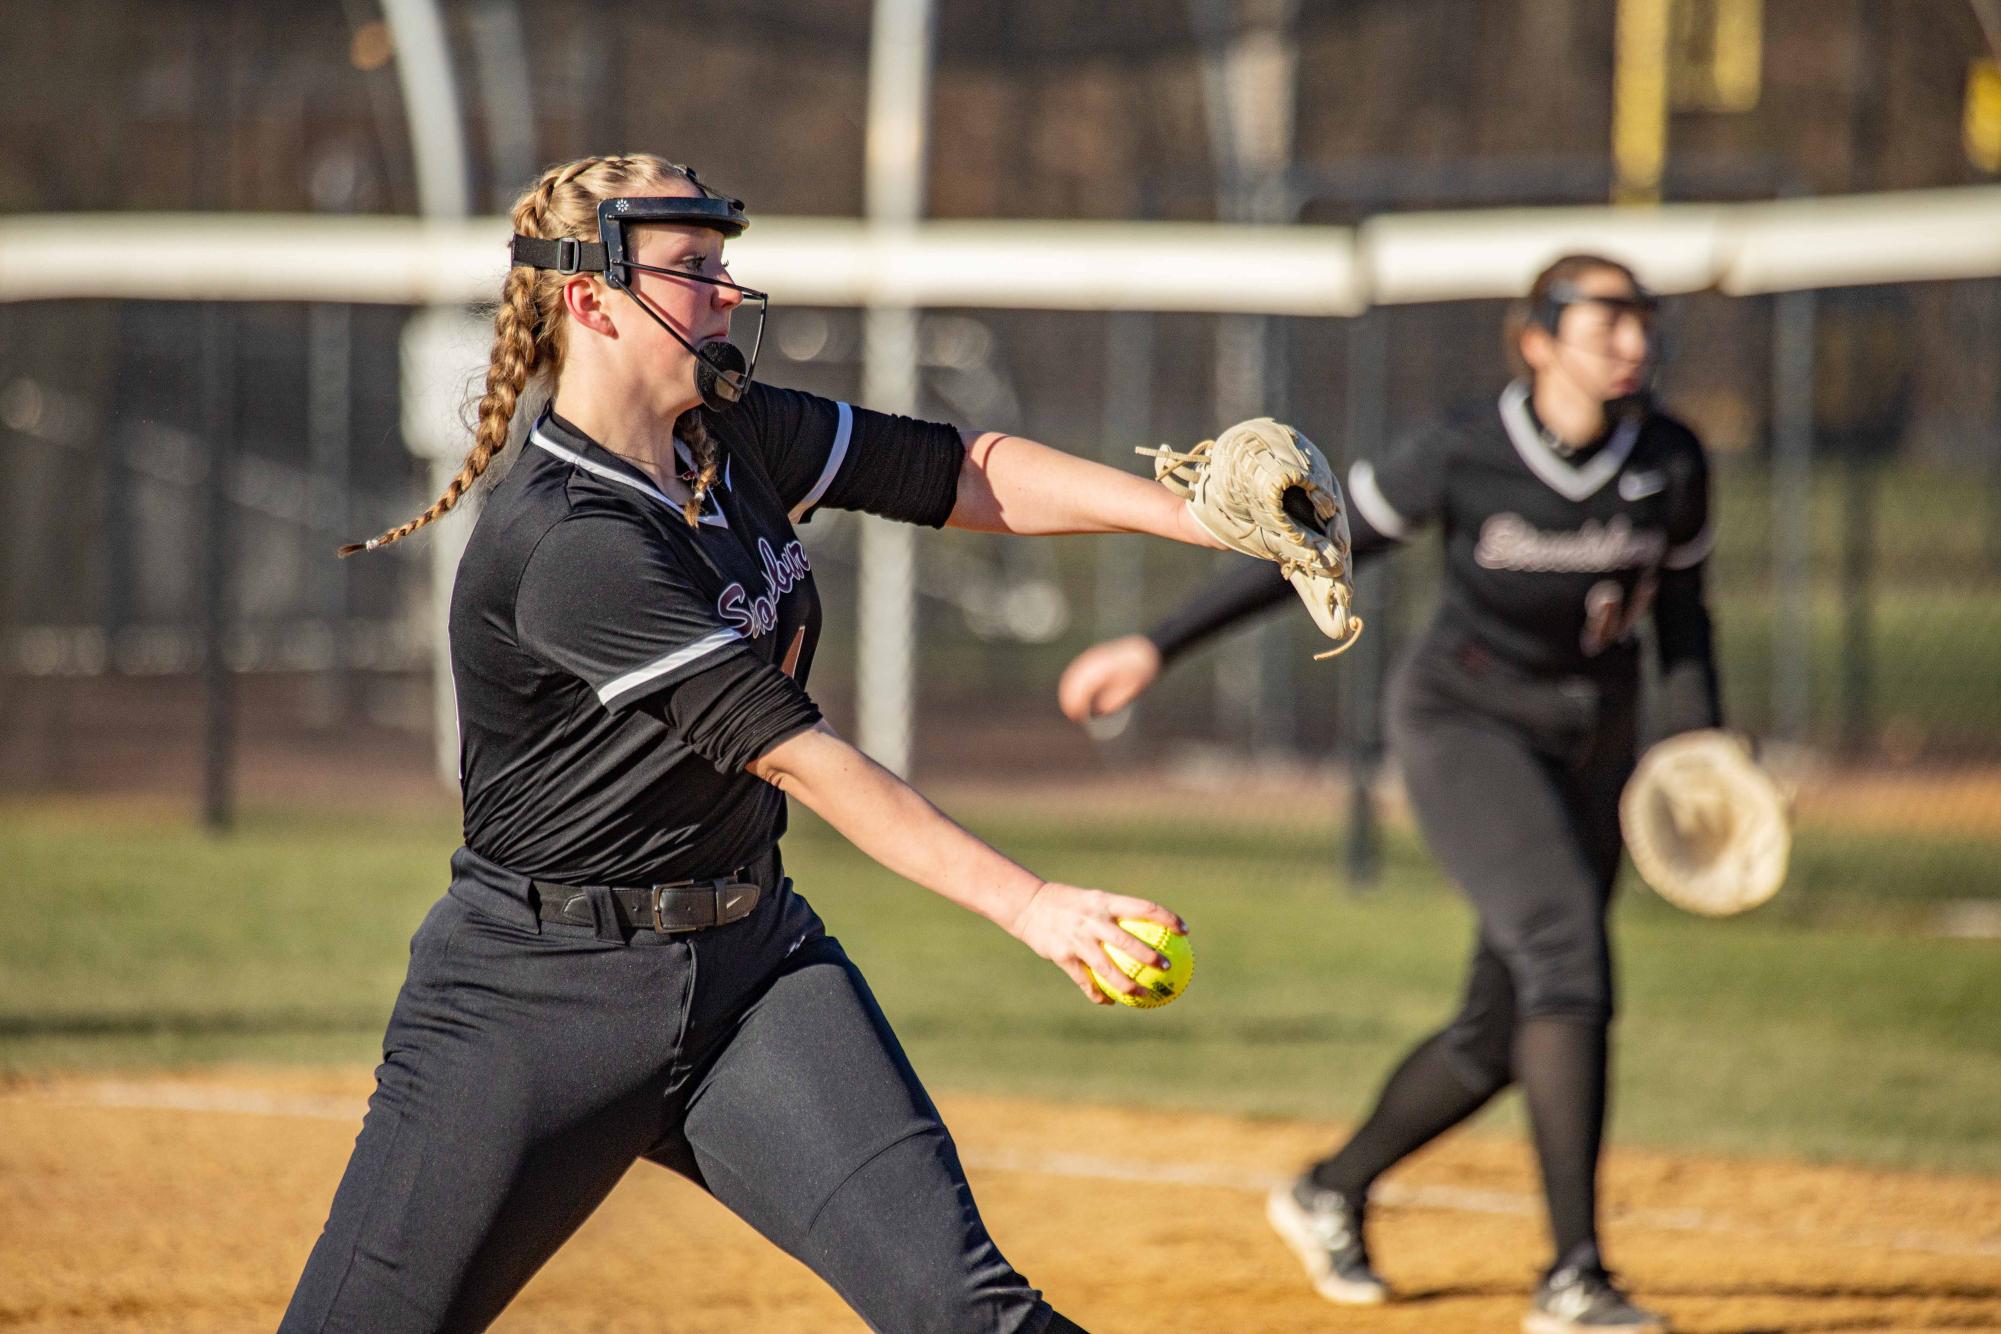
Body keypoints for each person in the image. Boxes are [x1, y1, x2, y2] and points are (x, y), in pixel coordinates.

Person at [282, 152, 1235, 1334]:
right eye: (692, 270)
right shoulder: (569, 540)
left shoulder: (723, 436)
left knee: (964, 1306)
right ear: (589, 299)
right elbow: (794, 752)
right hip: (533, 1003)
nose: (726, 292)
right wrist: (1033, 904)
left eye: (722, 263)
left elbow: (958, 471)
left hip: (752, 972)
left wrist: (1200, 515)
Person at [1057, 254, 1719, 1333]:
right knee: (1569, 963)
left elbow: (1684, 618)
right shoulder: (1464, 448)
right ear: (1537, 339)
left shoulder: (1673, 458)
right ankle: (1575, 1278)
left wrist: (1700, 751)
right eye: (1604, 322)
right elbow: (1308, 534)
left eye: (1640, 322)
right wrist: (1154, 642)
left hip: (1597, 746)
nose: (1632, 343)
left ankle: (1330, 1185)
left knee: (1503, 1025)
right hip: (1468, 726)